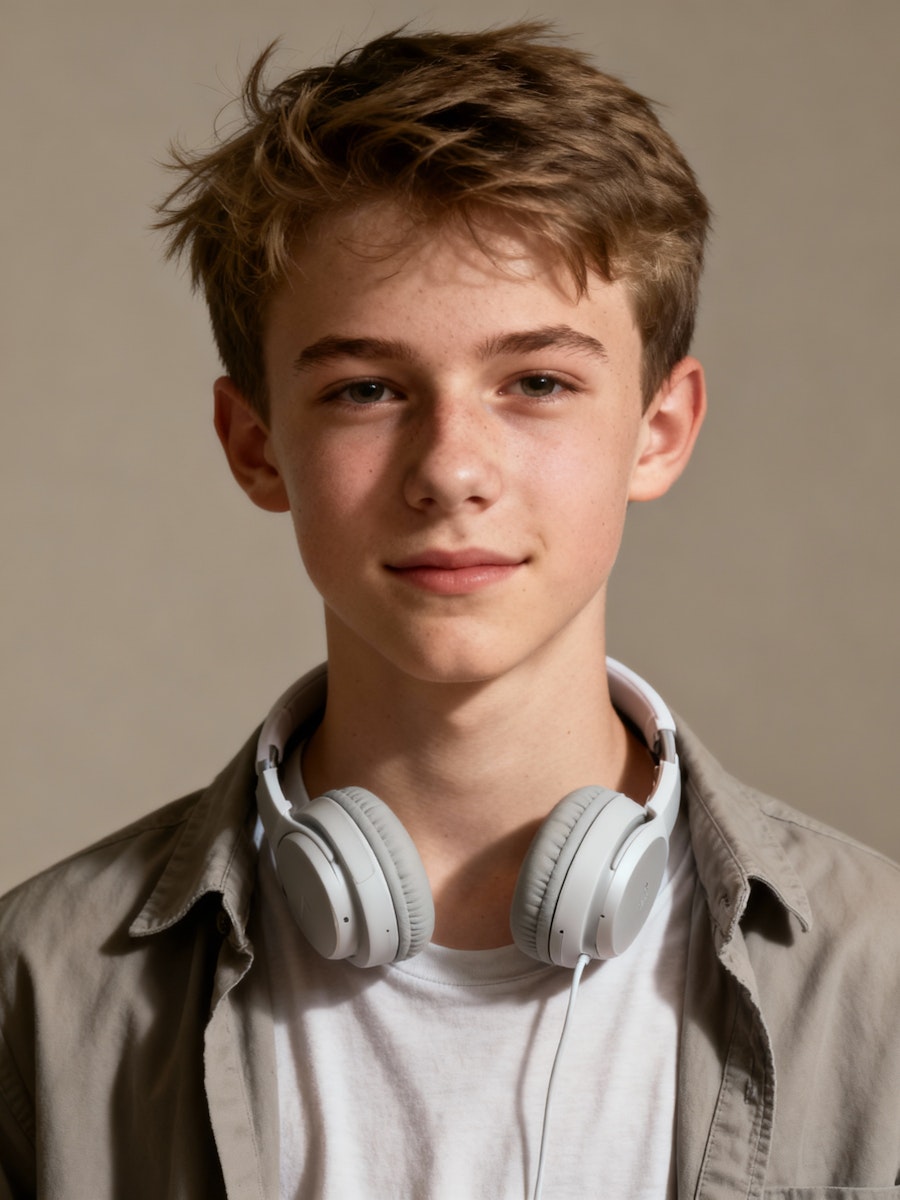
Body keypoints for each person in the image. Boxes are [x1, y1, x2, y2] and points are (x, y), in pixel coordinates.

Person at [1, 22, 898, 1200]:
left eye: (537, 382)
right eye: (367, 389)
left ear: (660, 429)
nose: (452, 470)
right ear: (256, 445)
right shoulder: (39, 991)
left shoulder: (878, 976)